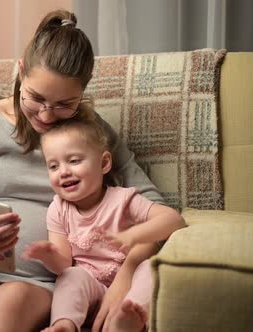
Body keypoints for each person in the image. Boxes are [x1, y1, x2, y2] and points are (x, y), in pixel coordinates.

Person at [0, 9, 165, 332]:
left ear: (81, 94)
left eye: (64, 105)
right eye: (36, 97)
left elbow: (159, 210)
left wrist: (127, 272)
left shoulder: (89, 134)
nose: (46, 115)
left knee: (1, 313)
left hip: (37, 279)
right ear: (20, 71)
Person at [22, 116, 186, 332]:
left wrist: (135, 235)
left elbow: (174, 220)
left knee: (150, 269)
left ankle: (127, 319)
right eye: (53, 166)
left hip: (129, 284)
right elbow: (63, 263)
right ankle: (64, 324)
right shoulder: (58, 209)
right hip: (91, 290)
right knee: (71, 275)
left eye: (74, 161)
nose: (63, 171)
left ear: (104, 163)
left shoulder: (123, 200)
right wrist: (48, 256)